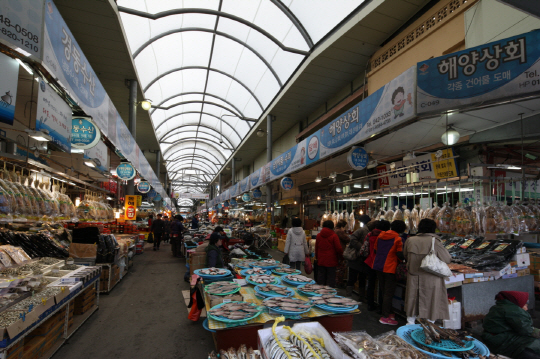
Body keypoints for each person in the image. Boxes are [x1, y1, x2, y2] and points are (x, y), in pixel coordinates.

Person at [403, 218, 451, 325]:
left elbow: (405, 255)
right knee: (431, 301)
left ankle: (410, 324)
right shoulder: (435, 241)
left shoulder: (410, 240)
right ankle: (429, 326)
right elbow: (447, 259)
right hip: (431, 277)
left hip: (413, 275)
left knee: (413, 299)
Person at [482, 291, 540, 359]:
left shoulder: (499, 306)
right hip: (500, 341)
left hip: (493, 338)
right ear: (519, 302)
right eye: (526, 305)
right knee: (533, 345)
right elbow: (526, 329)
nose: (527, 309)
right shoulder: (513, 310)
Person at [373, 220, 405, 325]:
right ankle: (385, 316)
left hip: (378, 266)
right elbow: (400, 254)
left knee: (383, 290)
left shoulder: (381, 236)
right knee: (388, 293)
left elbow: (375, 250)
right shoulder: (398, 239)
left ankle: (388, 312)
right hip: (390, 267)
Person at [346, 215, 373, 299]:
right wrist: (362, 248)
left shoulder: (367, 231)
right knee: (352, 278)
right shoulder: (362, 230)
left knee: (362, 279)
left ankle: (361, 296)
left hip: (363, 260)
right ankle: (348, 296)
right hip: (356, 258)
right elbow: (353, 240)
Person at [315, 220, 343, 287]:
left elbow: (316, 248)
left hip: (321, 260)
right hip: (331, 261)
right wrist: (341, 257)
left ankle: (319, 294)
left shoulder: (318, 235)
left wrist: (317, 257)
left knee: (321, 279)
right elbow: (339, 248)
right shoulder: (334, 236)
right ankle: (329, 296)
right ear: (332, 227)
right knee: (330, 280)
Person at [335, 220, 350, 288]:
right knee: (341, 268)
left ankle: (336, 282)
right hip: (340, 251)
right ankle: (339, 283)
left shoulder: (335, 230)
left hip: (336, 251)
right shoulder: (340, 231)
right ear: (342, 226)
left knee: (337, 268)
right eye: (345, 227)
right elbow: (347, 239)